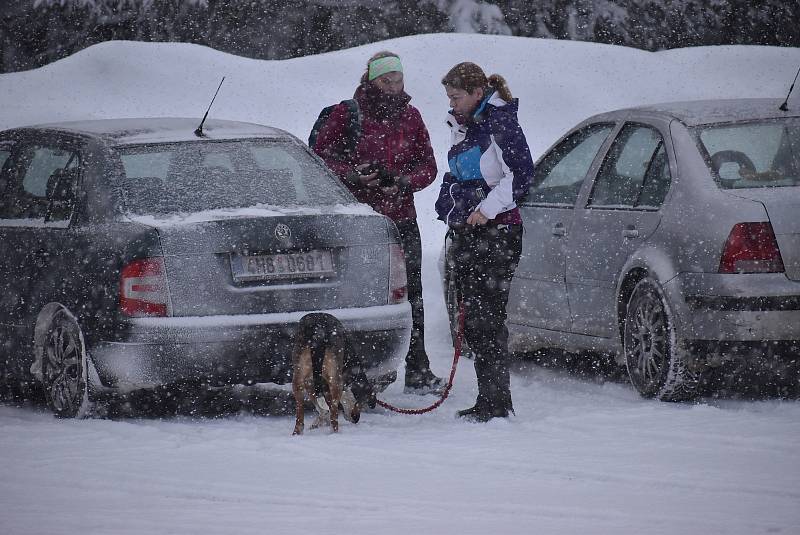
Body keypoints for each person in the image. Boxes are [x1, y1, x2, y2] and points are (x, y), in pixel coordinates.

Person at [313, 51, 444, 395]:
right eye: (385, 80)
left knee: (411, 296)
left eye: (397, 79)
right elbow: (320, 161)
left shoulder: (411, 116)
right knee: (357, 297)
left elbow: (428, 166)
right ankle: (354, 372)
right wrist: (355, 177)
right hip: (360, 224)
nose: (393, 86)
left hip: (402, 219)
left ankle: (418, 367)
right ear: (370, 80)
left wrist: (401, 181)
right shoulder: (347, 114)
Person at [435, 62, 534, 422]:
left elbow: (521, 174)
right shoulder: (461, 127)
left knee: (489, 319)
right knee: (473, 319)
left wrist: (487, 210)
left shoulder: (500, 122)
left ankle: (499, 404)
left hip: (500, 233)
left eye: (456, 96)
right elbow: (455, 176)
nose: (452, 103)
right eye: (449, 97)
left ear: (478, 93)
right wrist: (449, 206)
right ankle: (486, 399)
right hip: (471, 234)